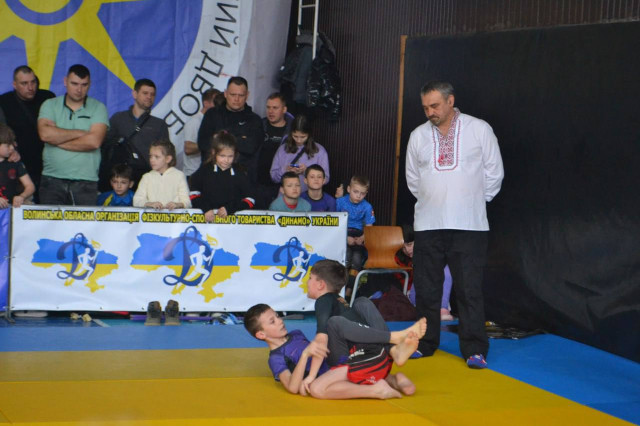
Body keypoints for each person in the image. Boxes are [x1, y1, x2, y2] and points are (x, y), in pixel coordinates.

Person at [406, 81, 504, 369]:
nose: (430, 112)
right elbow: (414, 179)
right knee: (426, 289)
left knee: (468, 289)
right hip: (428, 223)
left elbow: (494, 173)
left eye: (435, 106)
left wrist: (471, 202)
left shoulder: (479, 129)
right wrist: (435, 200)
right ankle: (424, 343)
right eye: (425, 107)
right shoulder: (418, 136)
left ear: (450, 101)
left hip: (469, 225)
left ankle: (475, 348)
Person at [245, 302, 420, 399]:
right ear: (261, 334)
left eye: (277, 316)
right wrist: (305, 355)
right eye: (272, 321)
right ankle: (392, 379)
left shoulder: (295, 334)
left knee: (317, 389)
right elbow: (292, 386)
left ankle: (381, 381)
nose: (280, 321)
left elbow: (321, 351)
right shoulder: (276, 358)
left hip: (338, 362)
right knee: (317, 387)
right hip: (334, 371)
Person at [304, 260, 427, 389]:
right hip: (377, 358)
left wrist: (311, 376)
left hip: (351, 364)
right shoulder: (340, 302)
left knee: (335, 322)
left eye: (310, 278)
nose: (307, 282)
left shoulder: (322, 301)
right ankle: (392, 354)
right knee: (361, 302)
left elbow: (321, 339)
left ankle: (393, 339)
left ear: (320, 285)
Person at [37, 64, 108, 205]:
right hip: (52, 179)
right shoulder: (50, 105)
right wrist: (80, 133)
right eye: (74, 83)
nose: (79, 89)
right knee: (50, 221)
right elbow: (45, 135)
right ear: (65, 81)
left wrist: (57, 139)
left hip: (86, 181)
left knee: (83, 222)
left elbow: (94, 142)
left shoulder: (99, 107)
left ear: (89, 84)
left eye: (84, 85)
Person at [101, 78, 170, 190]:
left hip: (148, 180)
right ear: (134, 94)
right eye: (145, 93)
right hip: (120, 180)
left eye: (152, 94)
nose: (149, 97)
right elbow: (105, 146)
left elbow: (166, 155)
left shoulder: (159, 124)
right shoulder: (118, 119)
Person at [0, 66, 55, 198]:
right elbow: (2, 133)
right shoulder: (4, 101)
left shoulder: (48, 98)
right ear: (14, 85)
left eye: (33, 82)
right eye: (24, 83)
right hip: (18, 163)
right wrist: (12, 150)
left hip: (48, 164)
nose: (30, 87)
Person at [197, 77, 263, 182]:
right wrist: (240, 139)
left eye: (241, 95)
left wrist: (219, 139)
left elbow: (250, 148)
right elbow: (203, 143)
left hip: (242, 179)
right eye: (233, 94)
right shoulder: (212, 115)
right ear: (225, 93)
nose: (236, 99)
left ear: (247, 95)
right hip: (212, 178)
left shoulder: (255, 120)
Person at [189, 130, 255, 223]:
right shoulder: (204, 170)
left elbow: (250, 199)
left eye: (230, 156)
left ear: (235, 155)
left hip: (233, 223)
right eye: (222, 156)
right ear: (213, 152)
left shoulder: (240, 172)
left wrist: (230, 209)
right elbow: (193, 194)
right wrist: (205, 209)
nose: (226, 160)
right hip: (207, 222)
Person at [396, 225, 454, 321]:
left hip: (432, 294)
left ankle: (442, 308)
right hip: (413, 297)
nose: (407, 250)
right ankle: (440, 308)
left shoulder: (429, 253)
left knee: (446, 269)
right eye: (403, 248)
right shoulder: (398, 260)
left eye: (409, 244)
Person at [335, 175, 375, 295]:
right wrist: (345, 238)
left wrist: (362, 238)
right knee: (345, 258)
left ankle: (349, 290)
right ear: (348, 189)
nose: (358, 196)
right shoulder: (340, 202)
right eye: (355, 192)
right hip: (342, 233)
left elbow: (369, 228)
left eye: (362, 193)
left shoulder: (367, 206)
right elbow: (334, 223)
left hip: (359, 235)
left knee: (357, 260)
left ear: (366, 193)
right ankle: (339, 288)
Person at [270, 114, 329, 192]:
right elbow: (273, 177)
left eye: (303, 137)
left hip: (308, 196)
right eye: (295, 136)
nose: (299, 140)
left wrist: (307, 171)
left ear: (309, 135)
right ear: (291, 133)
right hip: (285, 196)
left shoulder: (319, 151)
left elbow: (326, 179)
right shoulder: (283, 149)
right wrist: (285, 170)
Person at [133, 139, 190, 210]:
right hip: (151, 217)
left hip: (174, 216)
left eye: (156, 157)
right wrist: (149, 204)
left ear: (168, 159)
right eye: (150, 156)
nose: (152, 160)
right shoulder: (146, 177)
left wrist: (177, 204)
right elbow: (137, 200)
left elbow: (187, 202)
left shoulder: (179, 176)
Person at [182, 88, 220, 181]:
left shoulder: (215, 121)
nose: (218, 105)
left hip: (206, 173)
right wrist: (212, 143)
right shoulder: (195, 122)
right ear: (206, 103)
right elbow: (188, 148)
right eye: (215, 102)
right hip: (193, 174)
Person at [0, 124, 35, 208]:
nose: (12, 148)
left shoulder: (15, 163)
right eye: (8, 145)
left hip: (12, 209)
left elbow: (30, 186)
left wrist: (22, 196)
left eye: (12, 144)